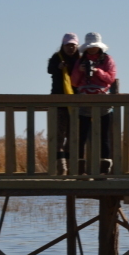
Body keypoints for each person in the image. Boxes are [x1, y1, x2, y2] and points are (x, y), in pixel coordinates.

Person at [70, 32, 116, 174]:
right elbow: (74, 82)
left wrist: (97, 71)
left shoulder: (107, 60)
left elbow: (110, 78)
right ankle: (80, 168)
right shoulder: (81, 61)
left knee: (104, 135)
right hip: (84, 100)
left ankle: (104, 167)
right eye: (90, 47)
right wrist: (80, 71)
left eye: (94, 47)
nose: (92, 49)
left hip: (102, 100)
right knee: (81, 135)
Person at [47, 33, 80, 175]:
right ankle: (62, 169)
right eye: (68, 45)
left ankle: (72, 167)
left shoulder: (80, 59)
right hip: (59, 101)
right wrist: (59, 67)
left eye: (73, 45)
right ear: (63, 45)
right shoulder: (56, 57)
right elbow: (49, 70)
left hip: (76, 102)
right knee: (59, 136)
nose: (70, 48)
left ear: (77, 46)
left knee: (73, 136)